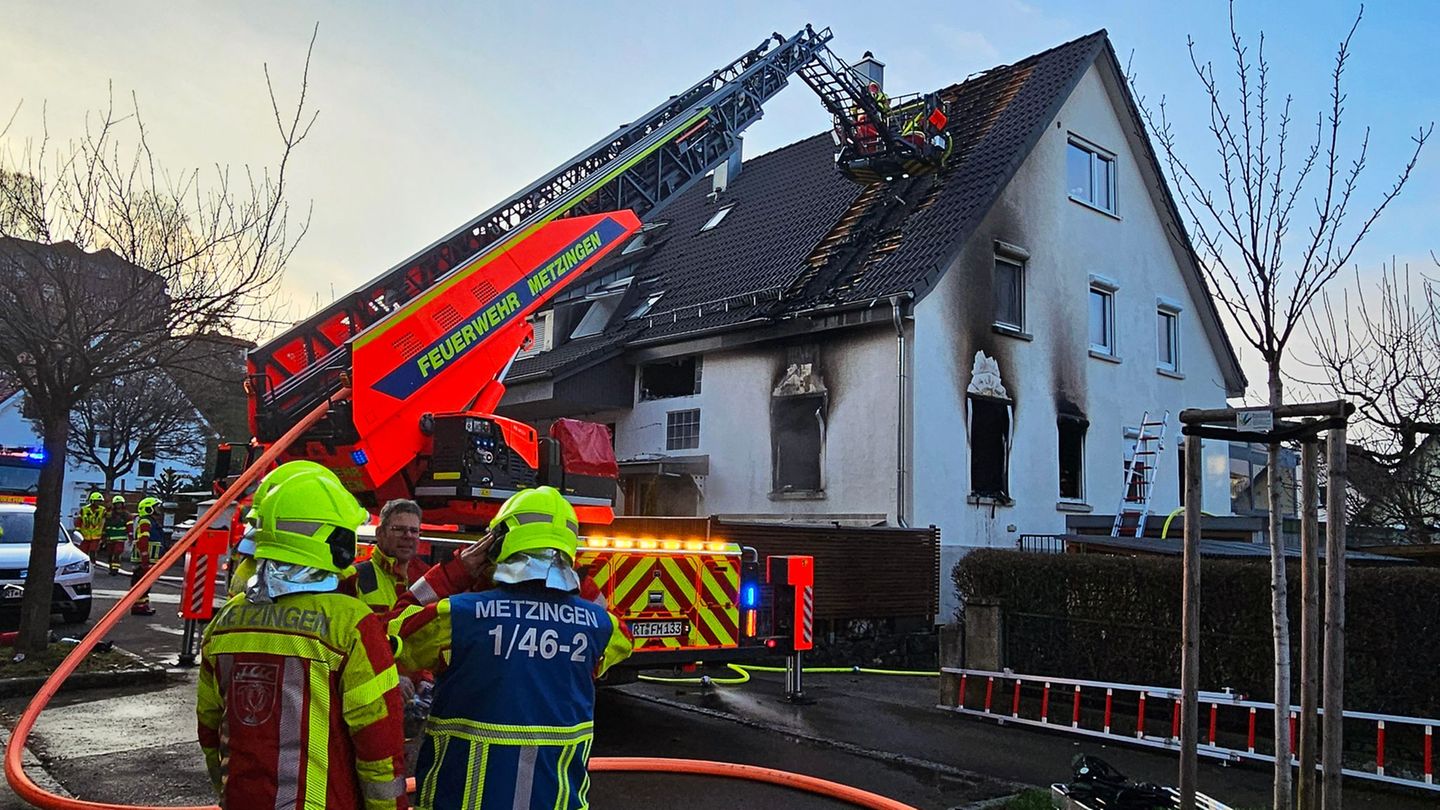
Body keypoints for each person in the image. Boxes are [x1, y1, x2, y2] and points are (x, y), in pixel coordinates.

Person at [390, 486, 632, 810]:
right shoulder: (600, 628)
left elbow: (390, 632)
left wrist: (456, 572)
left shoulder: (460, 616)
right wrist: (576, 578)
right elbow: (621, 633)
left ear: (498, 543)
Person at [196, 462, 410, 810]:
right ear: (335, 540)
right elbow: (379, 749)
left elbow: (210, 728)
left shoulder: (228, 619)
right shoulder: (350, 623)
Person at [129, 497, 163, 616]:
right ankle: (139, 606)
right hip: (144, 558)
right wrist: (145, 557)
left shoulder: (149, 521)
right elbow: (143, 540)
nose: (158, 510)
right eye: (155, 507)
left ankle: (142, 605)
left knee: (145, 583)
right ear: (149, 509)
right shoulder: (145, 521)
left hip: (148, 558)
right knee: (141, 582)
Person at [76, 492, 107, 565]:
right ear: (92, 501)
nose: (98, 503)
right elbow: (79, 520)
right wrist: (78, 531)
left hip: (96, 535)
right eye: (96, 501)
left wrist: (104, 533)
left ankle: (92, 564)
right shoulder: (84, 509)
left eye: (99, 501)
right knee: (83, 551)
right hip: (85, 535)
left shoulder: (102, 510)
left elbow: (105, 521)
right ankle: (83, 564)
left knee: (93, 550)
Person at [102, 495, 129, 576]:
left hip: (120, 538)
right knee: (110, 554)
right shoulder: (109, 514)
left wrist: (130, 535)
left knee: (117, 553)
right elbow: (105, 524)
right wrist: (104, 535)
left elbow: (129, 525)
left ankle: (115, 570)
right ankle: (111, 567)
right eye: (117, 504)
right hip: (110, 537)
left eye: (120, 504)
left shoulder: (126, 515)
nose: (118, 505)